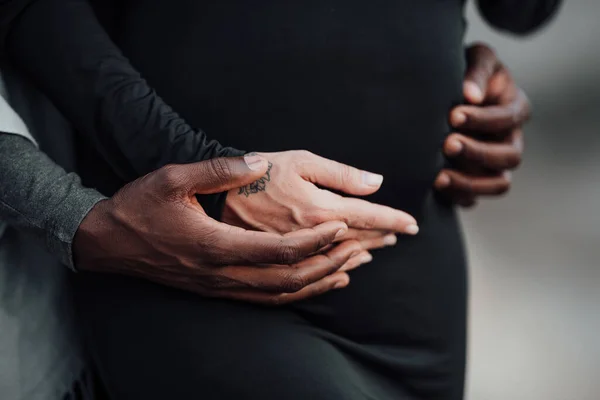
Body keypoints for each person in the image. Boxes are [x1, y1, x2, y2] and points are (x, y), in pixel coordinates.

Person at [0, 0, 559, 399]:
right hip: (204, 259)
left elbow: (521, 11)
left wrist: (463, 83)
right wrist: (206, 172)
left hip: (414, 277)